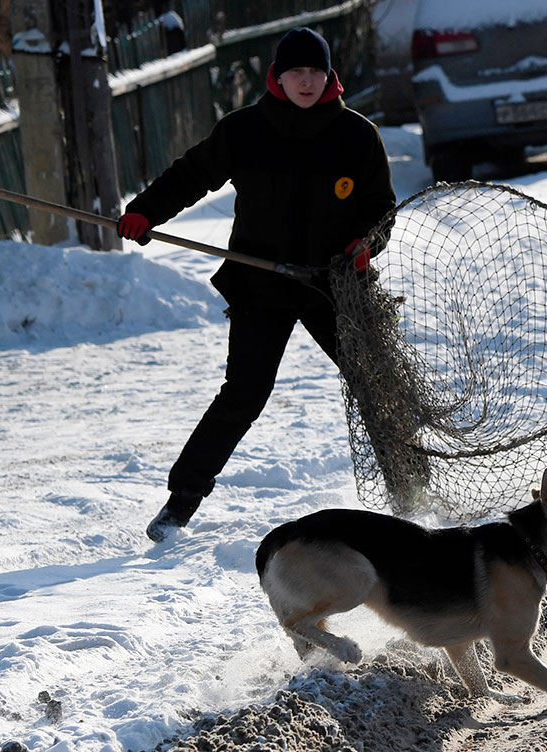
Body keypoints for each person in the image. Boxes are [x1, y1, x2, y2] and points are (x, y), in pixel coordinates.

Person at [117, 27, 396, 542]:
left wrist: (365, 246)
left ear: (329, 75)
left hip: (332, 284)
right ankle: (180, 504)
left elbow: (381, 209)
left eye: (315, 71)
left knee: (375, 383)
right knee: (244, 392)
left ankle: (408, 484)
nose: (306, 81)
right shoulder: (245, 129)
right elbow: (192, 173)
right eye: (296, 72)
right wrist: (145, 211)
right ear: (278, 76)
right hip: (259, 282)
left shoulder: (357, 135)